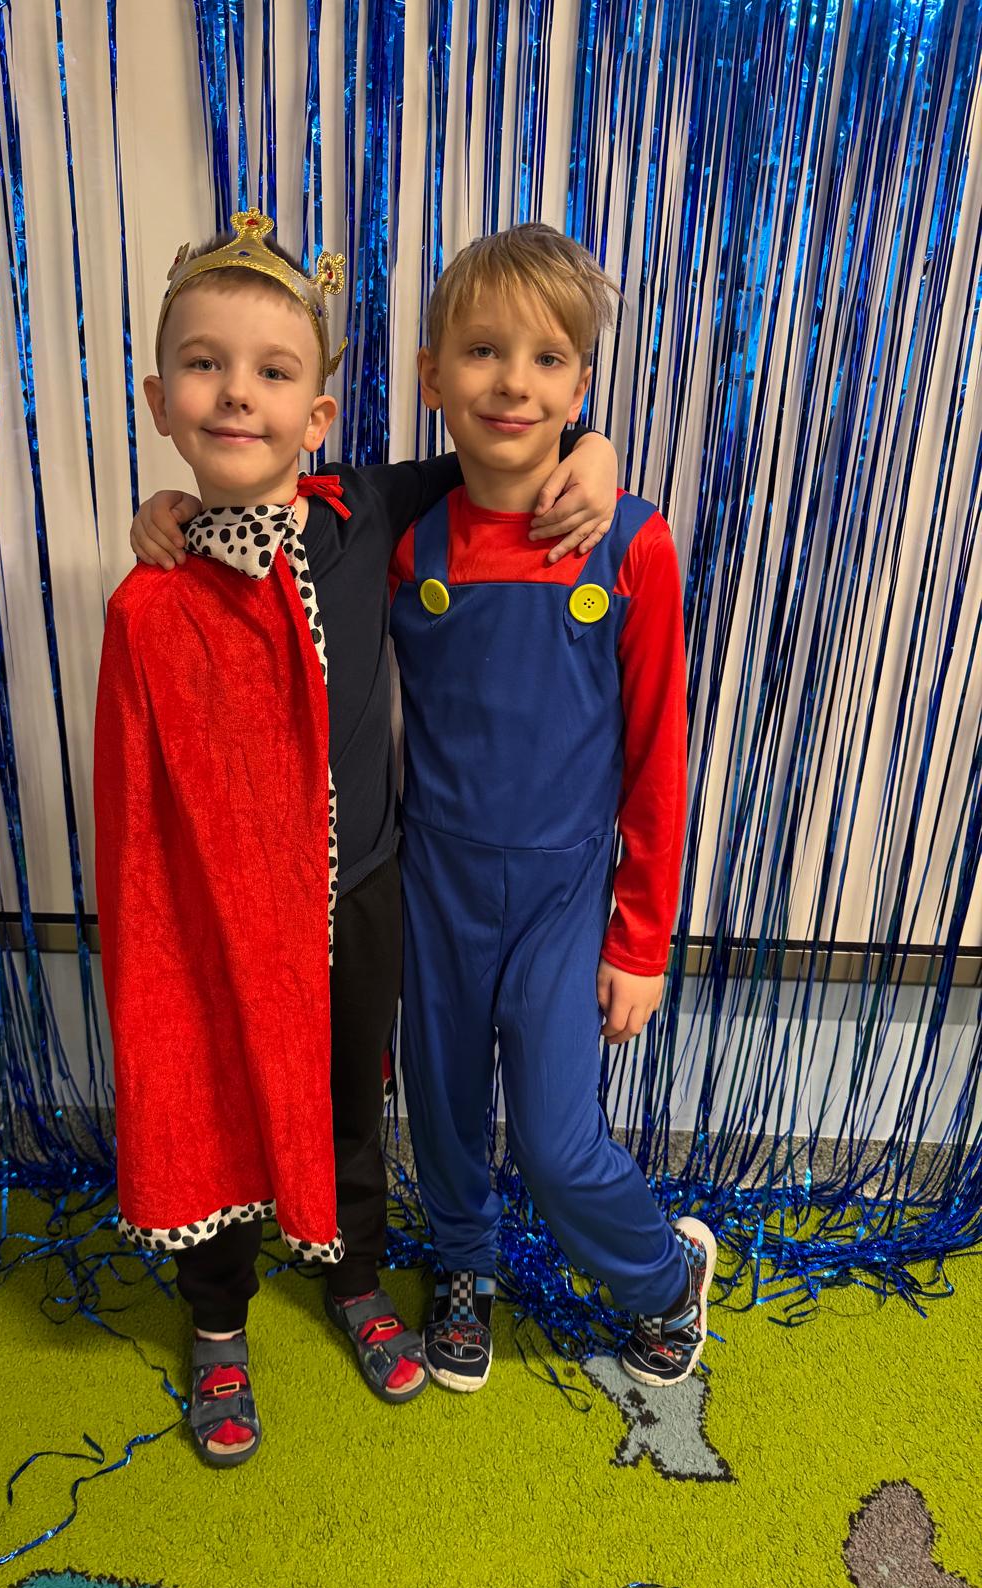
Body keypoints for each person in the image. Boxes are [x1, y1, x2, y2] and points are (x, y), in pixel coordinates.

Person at [101, 209, 620, 1468]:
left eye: (274, 372)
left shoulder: (365, 514)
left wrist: (596, 447)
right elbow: (134, 815)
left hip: (361, 890)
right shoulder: (149, 597)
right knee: (217, 1089)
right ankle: (218, 1319)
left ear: (318, 415)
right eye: (205, 367)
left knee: (353, 1093)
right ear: (160, 401)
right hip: (221, 916)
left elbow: (498, 446)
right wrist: (159, 515)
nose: (239, 393)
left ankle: (353, 1276)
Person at [387, 222, 717, 1394]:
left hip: (566, 891)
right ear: (432, 375)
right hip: (435, 879)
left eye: (545, 359)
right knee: (439, 1107)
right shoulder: (405, 539)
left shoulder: (632, 541)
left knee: (556, 1138)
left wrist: (641, 940)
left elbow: (658, 754)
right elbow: (283, 493)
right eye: (482, 351)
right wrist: (174, 509)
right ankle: (462, 1262)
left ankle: (664, 1280)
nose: (512, 383)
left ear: (581, 386)